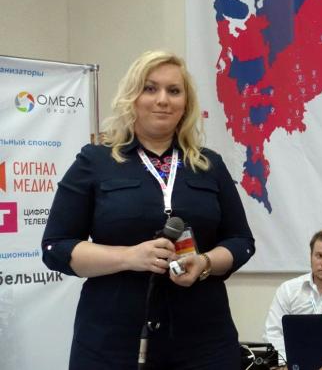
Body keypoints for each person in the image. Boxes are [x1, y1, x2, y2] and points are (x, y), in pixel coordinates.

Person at [41, 50, 255, 369]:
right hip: (112, 343)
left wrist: (205, 262)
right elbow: (56, 247)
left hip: (203, 342)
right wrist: (129, 257)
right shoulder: (94, 161)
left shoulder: (209, 165)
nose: (162, 100)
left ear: (186, 103)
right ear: (132, 97)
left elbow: (241, 241)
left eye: (174, 90)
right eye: (150, 88)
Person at [263, 229, 322, 362]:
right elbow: (272, 332)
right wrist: (288, 362)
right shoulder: (288, 290)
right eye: (319, 255)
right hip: (295, 364)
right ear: (311, 257)